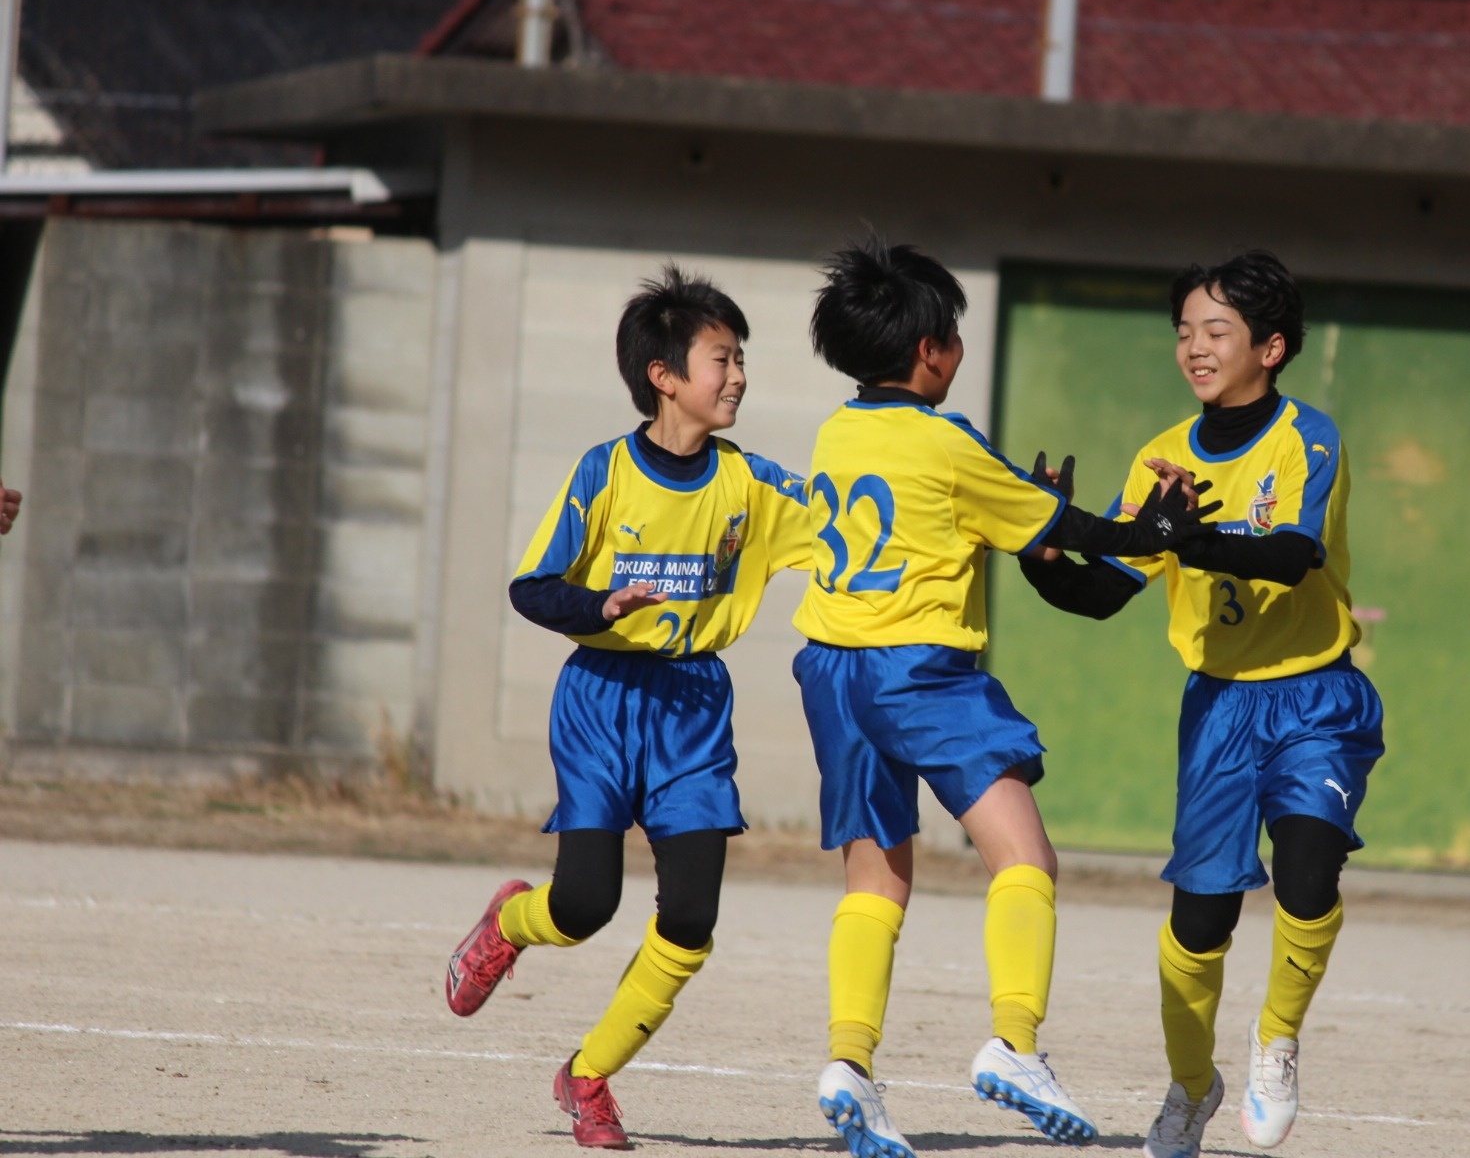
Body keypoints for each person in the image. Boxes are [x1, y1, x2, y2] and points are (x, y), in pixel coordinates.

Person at [793, 236, 1213, 1158]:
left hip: (831, 670)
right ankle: (1014, 1044)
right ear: (929, 350)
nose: (958, 349)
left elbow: (1012, 519)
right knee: (1026, 858)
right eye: (953, 335)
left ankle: (849, 1064)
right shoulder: (947, 440)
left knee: (876, 879)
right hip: (918, 669)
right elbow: (1068, 528)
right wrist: (1156, 529)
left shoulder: (837, 431)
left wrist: (1034, 510)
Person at [1018, 251, 1384, 1158]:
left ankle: (1277, 1042)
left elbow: (1292, 555)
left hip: (1316, 698)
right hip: (1219, 708)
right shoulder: (1164, 456)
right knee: (1201, 920)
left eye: (1216, 330)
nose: (1195, 347)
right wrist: (1043, 557)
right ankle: (1191, 1086)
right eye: (1184, 331)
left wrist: (1191, 538)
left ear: (1273, 347)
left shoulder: (1308, 436)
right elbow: (1104, 592)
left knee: (1309, 872)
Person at [442, 266, 813, 1150]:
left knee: (690, 919)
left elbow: (855, 526)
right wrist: (599, 604)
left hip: (694, 706)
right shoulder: (603, 471)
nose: (739, 376)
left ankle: (589, 1078)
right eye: (723, 358)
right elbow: (532, 587)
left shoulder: (754, 485)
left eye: (742, 359)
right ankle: (510, 921)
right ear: (664, 375)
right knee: (584, 905)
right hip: (602, 701)